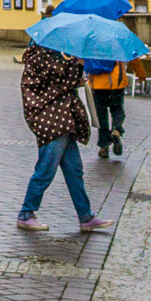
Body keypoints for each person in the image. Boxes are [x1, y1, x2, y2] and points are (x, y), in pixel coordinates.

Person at [17, 45, 114, 233]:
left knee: (74, 170)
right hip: (51, 121)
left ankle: (85, 216)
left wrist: (77, 65)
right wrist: (78, 64)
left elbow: (66, 79)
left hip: (63, 120)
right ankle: (26, 213)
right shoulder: (43, 55)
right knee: (46, 169)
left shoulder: (56, 54)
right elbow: (61, 79)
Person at [87, 58, 128, 158]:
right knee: (117, 109)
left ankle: (104, 146)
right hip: (116, 84)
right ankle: (116, 130)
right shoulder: (118, 43)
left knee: (101, 116)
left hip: (97, 84)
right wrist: (141, 74)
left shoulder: (92, 44)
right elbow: (133, 57)